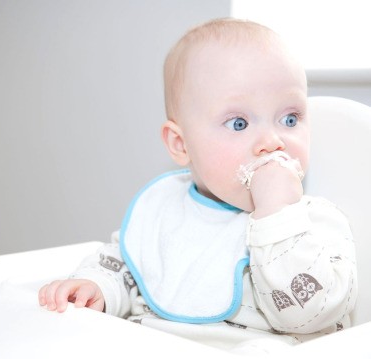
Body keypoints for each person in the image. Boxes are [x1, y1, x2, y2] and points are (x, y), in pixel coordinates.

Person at [38, 18, 357, 352]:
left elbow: (311, 317)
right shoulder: (164, 207)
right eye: (239, 123)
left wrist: (277, 214)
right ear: (181, 144)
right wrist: (98, 287)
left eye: (290, 119)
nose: (272, 141)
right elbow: (126, 266)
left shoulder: (314, 224)